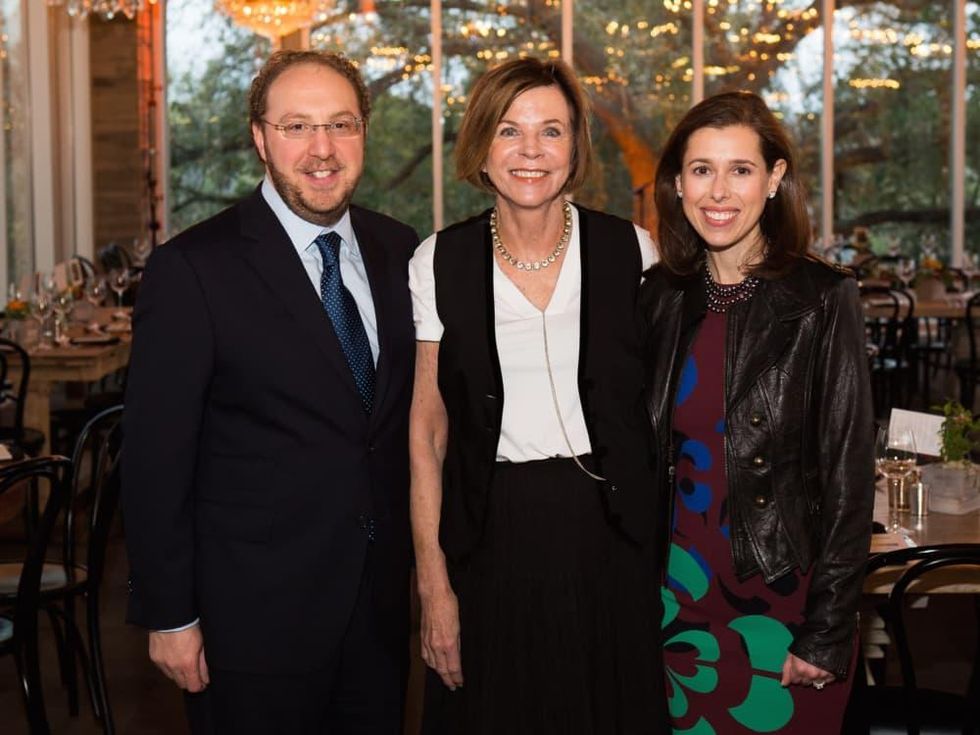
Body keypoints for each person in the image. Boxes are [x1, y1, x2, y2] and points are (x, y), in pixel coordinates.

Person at [122, 49, 419, 734]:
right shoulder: (192, 269)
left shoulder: (399, 249)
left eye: (342, 125)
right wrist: (170, 612)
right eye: (296, 127)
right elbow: (154, 460)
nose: (323, 149)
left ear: (364, 134)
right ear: (260, 137)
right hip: (249, 627)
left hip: (377, 616)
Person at [408, 57, 668, 733]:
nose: (530, 151)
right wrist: (434, 585)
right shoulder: (438, 261)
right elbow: (427, 433)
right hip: (490, 537)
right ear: (480, 148)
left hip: (610, 533)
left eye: (550, 131)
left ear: (575, 146)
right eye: (508, 131)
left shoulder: (632, 252)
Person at [640, 91, 874, 734]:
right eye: (701, 169)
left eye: (740, 169)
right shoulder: (659, 297)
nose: (719, 191)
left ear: (773, 179)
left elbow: (851, 479)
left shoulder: (822, 299)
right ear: (678, 184)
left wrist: (826, 631)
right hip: (676, 597)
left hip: (784, 599)